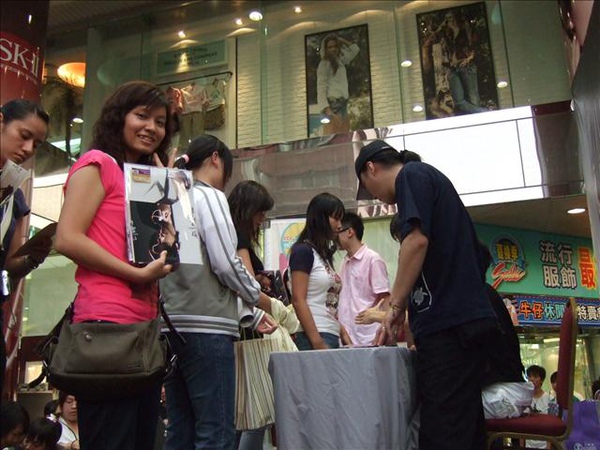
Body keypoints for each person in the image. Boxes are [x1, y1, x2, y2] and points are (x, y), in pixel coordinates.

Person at [54, 80, 175, 450]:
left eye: (160, 122)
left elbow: (161, 251)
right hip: (106, 327)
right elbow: (67, 238)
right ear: (118, 117)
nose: (151, 128)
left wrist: (167, 192)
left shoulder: (141, 181)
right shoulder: (98, 163)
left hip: (144, 329)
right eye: (141, 116)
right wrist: (136, 274)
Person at [355, 139, 496, 450]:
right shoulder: (426, 180)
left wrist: (395, 306)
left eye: (368, 187)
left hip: (450, 327)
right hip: (462, 322)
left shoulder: (412, 175)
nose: (375, 196)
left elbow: (416, 241)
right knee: (464, 427)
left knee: (442, 430)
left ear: (371, 168)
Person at [159, 135, 276, 450]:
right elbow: (224, 263)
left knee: (180, 430)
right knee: (216, 430)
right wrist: (255, 294)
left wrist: (250, 315)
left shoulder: (171, 196)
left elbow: (197, 270)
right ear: (215, 158)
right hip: (207, 330)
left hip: (171, 328)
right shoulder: (208, 195)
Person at [1, 99, 52, 392]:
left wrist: (34, 257)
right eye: (24, 135)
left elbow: (9, 265)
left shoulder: (14, 197)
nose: (29, 148)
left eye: (37, 144)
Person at [289, 192, 348, 350]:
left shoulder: (322, 256)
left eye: (341, 219)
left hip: (329, 334)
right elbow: (298, 299)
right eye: (336, 218)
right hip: (313, 336)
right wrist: (317, 343)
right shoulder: (303, 251)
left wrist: (342, 332)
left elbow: (327, 304)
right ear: (320, 218)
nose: (340, 225)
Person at [336, 212, 390, 346]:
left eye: (338, 232)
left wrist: (384, 331)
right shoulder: (344, 262)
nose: (335, 237)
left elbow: (385, 299)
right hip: (346, 340)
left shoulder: (373, 260)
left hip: (369, 338)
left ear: (350, 232)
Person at [441, 10, 487, 115]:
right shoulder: (447, 34)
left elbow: (475, 44)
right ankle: (484, 113)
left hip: (466, 65)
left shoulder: (465, 29)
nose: (451, 21)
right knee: (458, 102)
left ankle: (480, 116)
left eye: (453, 18)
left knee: (473, 98)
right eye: (449, 19)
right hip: (452, 68)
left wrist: (469, 58)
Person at [316, 33, 359, 135]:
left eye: (335, 46)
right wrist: (328, 111)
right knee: (331, 137)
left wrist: (341, 40)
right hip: (333, 106)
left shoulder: (340, 61)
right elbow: (321, 88)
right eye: (330, 47)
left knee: (345, 136)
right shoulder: (324, 64)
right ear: (326, 49)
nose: (333, 49)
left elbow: (355, 50)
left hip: (343, 104)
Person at [524, 365, 551, 449]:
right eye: (529, 376)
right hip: (528, 444)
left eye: (535, 376)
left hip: (544, 444)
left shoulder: (549, 398)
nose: (531, 379)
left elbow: (551, 426)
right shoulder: (524, 399)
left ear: (541, 380)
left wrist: (549, 446)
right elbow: (523, 425)